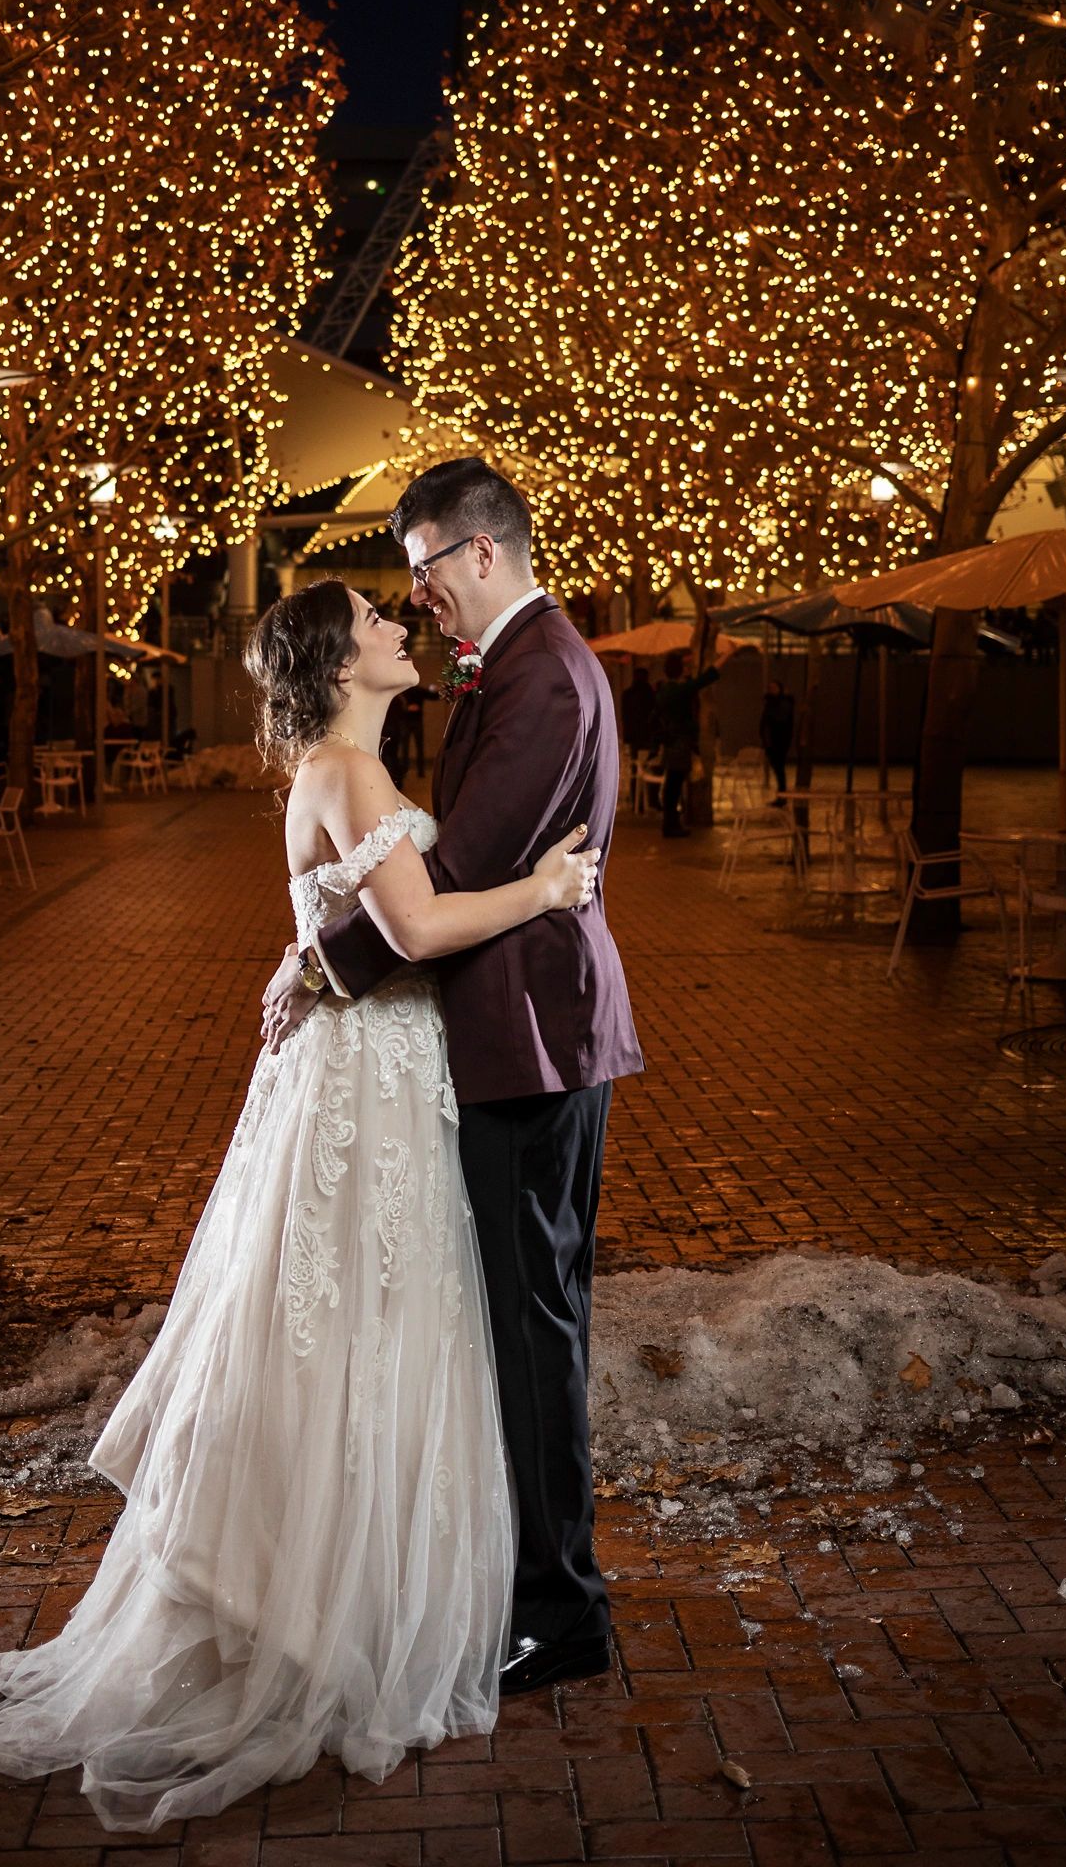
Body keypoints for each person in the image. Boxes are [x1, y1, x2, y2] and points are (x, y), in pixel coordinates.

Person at [0, 574, 599, 1828]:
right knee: (364, 1324)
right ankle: (339, 1600)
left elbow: (353, 927)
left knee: (346, 1327)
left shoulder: (336, 765)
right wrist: (544, 892)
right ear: (336, 658)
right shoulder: (350, 776)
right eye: (375, 620)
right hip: (370, 1081)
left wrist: (309, 962)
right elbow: (413, 931)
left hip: (363, 1068)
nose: (398, 627)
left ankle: (323, 1585)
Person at [261, 458, 643, 1698]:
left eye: (420, 571)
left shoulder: (536, 680)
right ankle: (528, 1579)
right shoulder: (518, 671)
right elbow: (443, 880)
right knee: (527, 1319)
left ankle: (560, 1609)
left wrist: (318, 972)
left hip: (525, 1035)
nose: (413, 598)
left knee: (533, 1329)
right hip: (511, 1028)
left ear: (480, 554)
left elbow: (451, 877)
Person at [652, 650, 718, 837]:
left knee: (671, 784)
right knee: (674, 784)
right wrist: (726, 656)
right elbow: (704, 679)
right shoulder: (678, 691)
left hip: (671, 742)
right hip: (680, 744)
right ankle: (671, 825)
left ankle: (670, 822)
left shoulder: (663, 690)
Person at [759, 677, 795, 799]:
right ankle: (781, 794)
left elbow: (779, 720)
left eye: (774, 687)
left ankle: (782, 795)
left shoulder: (783, 703)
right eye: (770, 688)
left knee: (779, 768)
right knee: (777, 768)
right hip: (771, 741)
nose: (771, 690)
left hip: (779, 741)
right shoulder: (770, 703)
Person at [620, 665, 658, 760]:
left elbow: (625, 715)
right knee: (646, 759)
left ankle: (634, 772)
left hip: (632, 734)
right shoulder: (650, 693)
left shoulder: (627, 694)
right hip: (646, 733)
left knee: (634, 759)